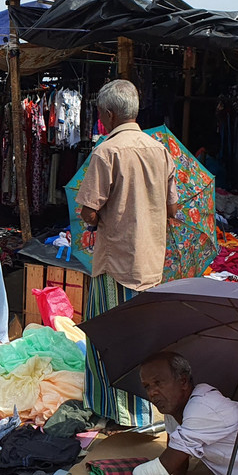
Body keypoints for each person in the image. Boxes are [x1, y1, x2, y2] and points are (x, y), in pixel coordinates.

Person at [75, 79, 177, 428]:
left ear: (108, 113)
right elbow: (173, 208)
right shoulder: (160, 151)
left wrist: (93, 220)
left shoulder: (107, 151)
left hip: (117, 263)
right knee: (145, 342)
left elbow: (88, 210)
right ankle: (147, 411)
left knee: (108, 339)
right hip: (151, 264)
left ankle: (115, 414)